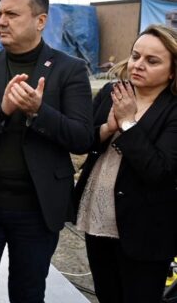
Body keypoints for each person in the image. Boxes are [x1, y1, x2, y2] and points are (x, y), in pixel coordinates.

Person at [0, 0, 94, 302]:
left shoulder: (70, 70)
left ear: (40, 21)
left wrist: (38, 112)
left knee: (28, 292)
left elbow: (82, 137)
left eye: (12, 14)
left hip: (37, 208)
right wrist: (2, 112)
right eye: (0, 14)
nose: (1, 21)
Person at [73, 24, 177, 302]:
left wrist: (129, 124)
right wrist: (106, 130)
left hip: (145, 230)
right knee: (107, 295)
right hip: (99, 217)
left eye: (152, 61)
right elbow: (84, 142)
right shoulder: (112, 90)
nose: (138, 65)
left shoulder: (173, 108)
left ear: (172, 70)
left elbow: (160, 171)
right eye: (135, 56)